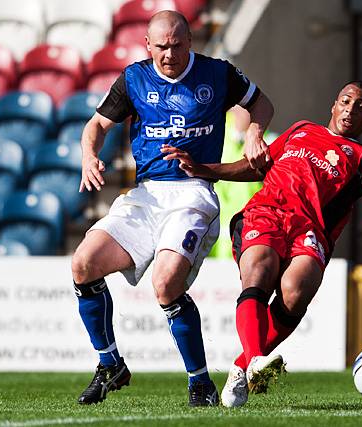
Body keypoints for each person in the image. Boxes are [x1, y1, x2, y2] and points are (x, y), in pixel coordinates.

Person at [161, 81, 362, 407]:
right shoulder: (301, 130)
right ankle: (254, 361)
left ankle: (242, 367)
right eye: (346, 101)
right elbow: (256, 168)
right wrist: (206, 170)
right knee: (260, 271)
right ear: (334, 106)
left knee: (295, 291)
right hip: (264, 214)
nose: (351, 109)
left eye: (361, 106)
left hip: (311, 229)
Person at [71, 10, 274, 407]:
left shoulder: (218, 74)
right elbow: (95, 126)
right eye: (161, 46)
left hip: (193, 191)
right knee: (82, 264)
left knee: (165, 285)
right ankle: (110, 363)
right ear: (148, 45)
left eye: (176, 45)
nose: (168, 54)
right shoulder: (134, 78)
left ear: (189, 42)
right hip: (146, 195)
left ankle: (200, 382)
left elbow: (262, 104)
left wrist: (254, 131)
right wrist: (88, 157)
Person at [209, 105, 277, 258]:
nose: (243, 111)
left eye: (249, 106)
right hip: (212, 226)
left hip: (249, 227)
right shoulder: (214, 131)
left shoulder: (269, 142)